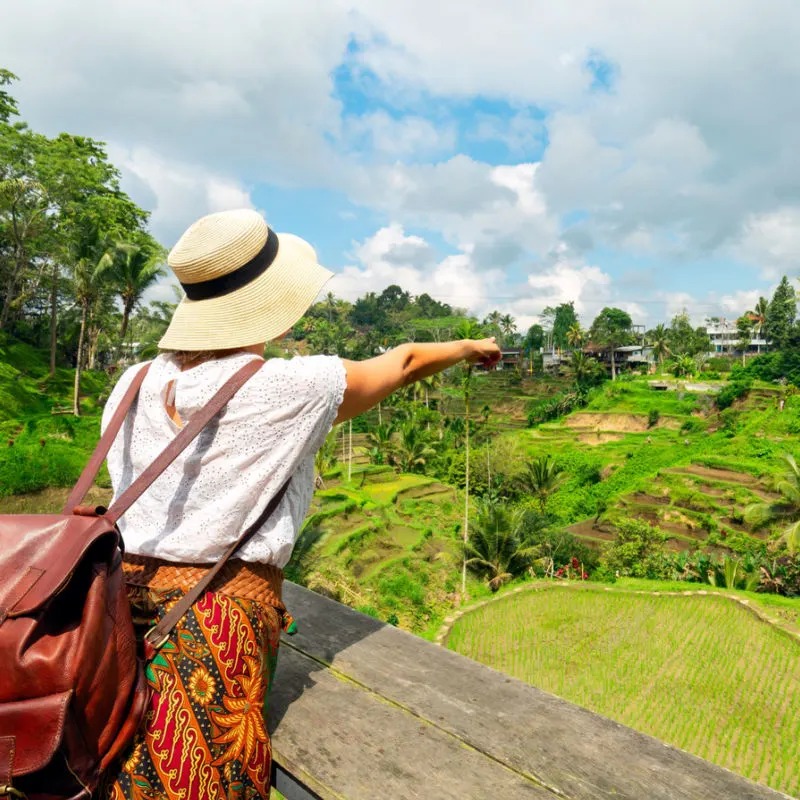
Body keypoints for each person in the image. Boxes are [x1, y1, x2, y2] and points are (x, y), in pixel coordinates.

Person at [102, 208, 500, 799]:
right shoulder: (292, 385)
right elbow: (406, 360)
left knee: (106, 759)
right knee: (203, 778)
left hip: (109, 607)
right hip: (211, 616)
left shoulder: (132, 380)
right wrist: (469, 345)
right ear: (268, 300)